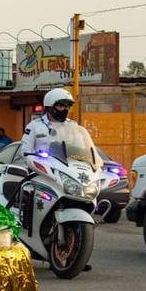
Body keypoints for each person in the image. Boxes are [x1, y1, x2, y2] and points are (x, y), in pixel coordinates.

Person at [21, 88, 100, 271]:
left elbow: (84, 149)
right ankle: (24, 234)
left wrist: (97, 163)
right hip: (41, 172)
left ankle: (77, 253)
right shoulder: (35, 126)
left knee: (83, 202)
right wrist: (31, 157)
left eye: (67, 106)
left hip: (66, 173)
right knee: (26, 194)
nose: (64, 109)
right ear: (50, 106)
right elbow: (26, 148)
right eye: (61, 105)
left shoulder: (74, 127)